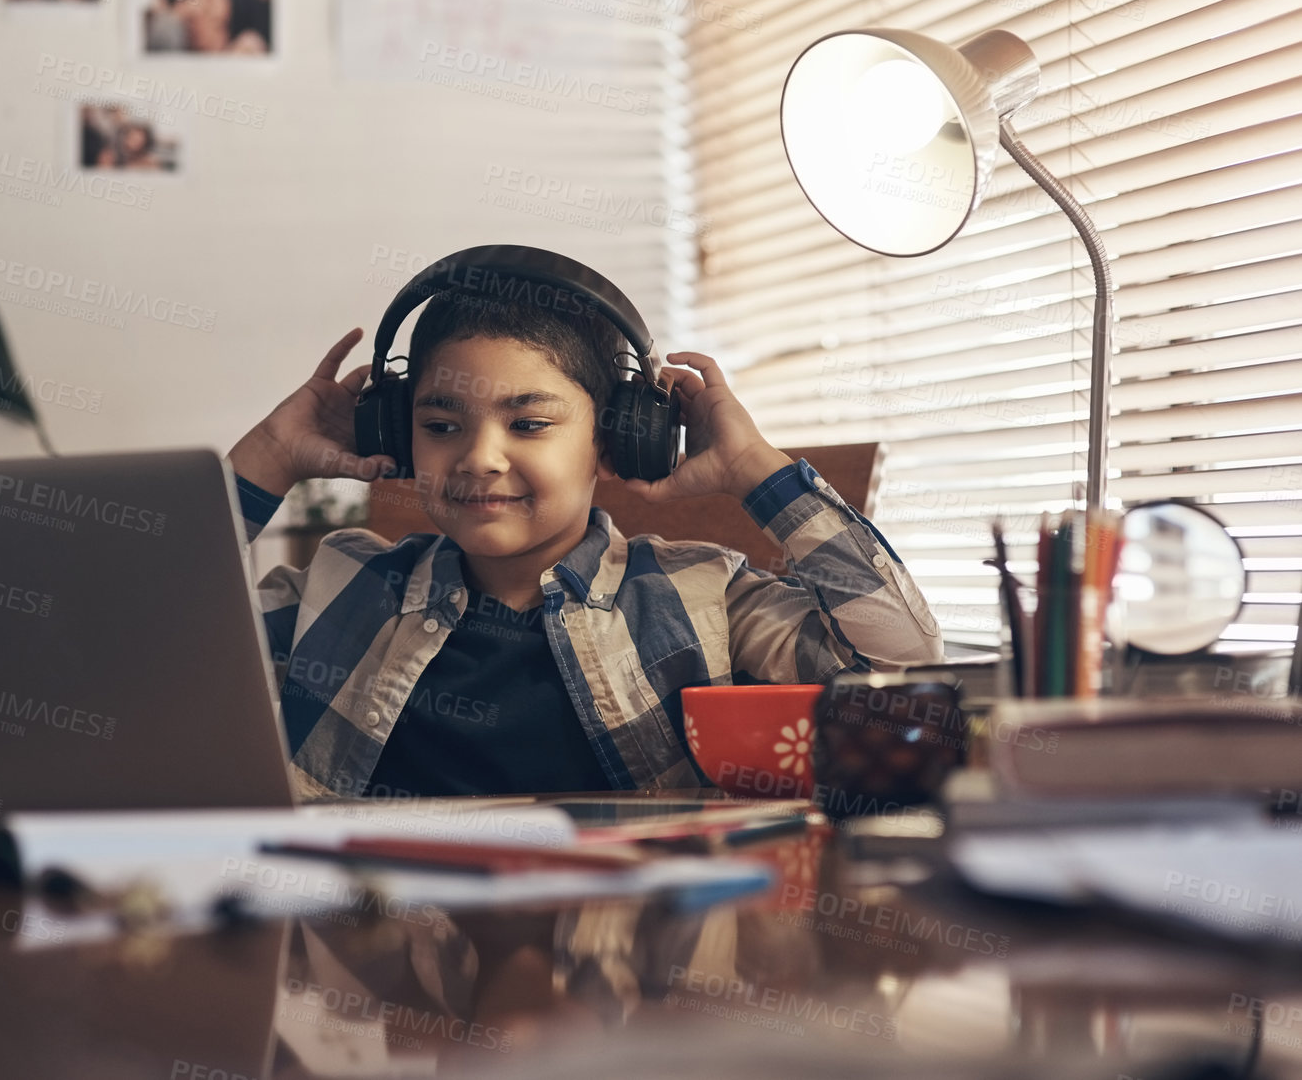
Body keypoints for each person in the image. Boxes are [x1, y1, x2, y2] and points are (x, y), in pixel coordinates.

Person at [226, 280, 943, 800]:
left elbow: (897, 659)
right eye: (441, 425)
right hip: (388, 973)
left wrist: (755, 469)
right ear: (398, 436)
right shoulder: (338, 586)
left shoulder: (701, 596)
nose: (478, 456)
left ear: (617, 440)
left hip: (616, 974)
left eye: (528, 423)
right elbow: (133, 648)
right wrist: (269, 454)